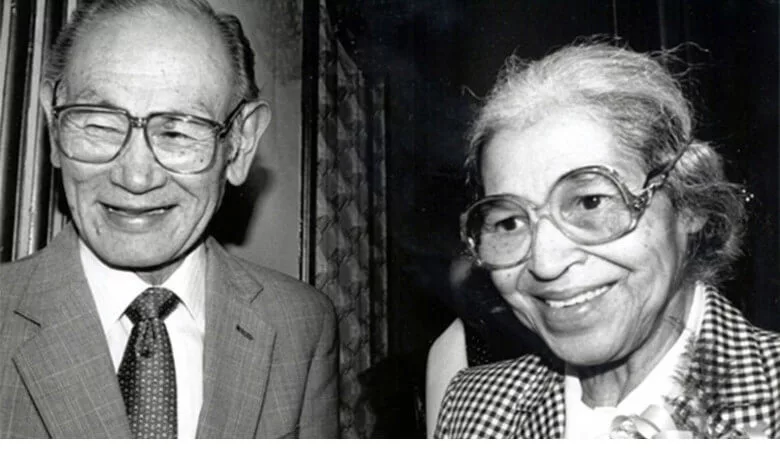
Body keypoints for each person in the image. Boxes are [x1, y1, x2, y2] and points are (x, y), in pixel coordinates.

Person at [0, 0, 338, 439]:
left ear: (240, 144)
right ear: (54, 125)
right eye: (100, 125)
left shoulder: (300, 325)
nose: (135, 177)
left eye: (178, 132)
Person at [432, 41, 780, 438]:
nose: (545, 263)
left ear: (688, 203)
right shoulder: (475, 406)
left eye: (590, 202)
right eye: (510, 222)